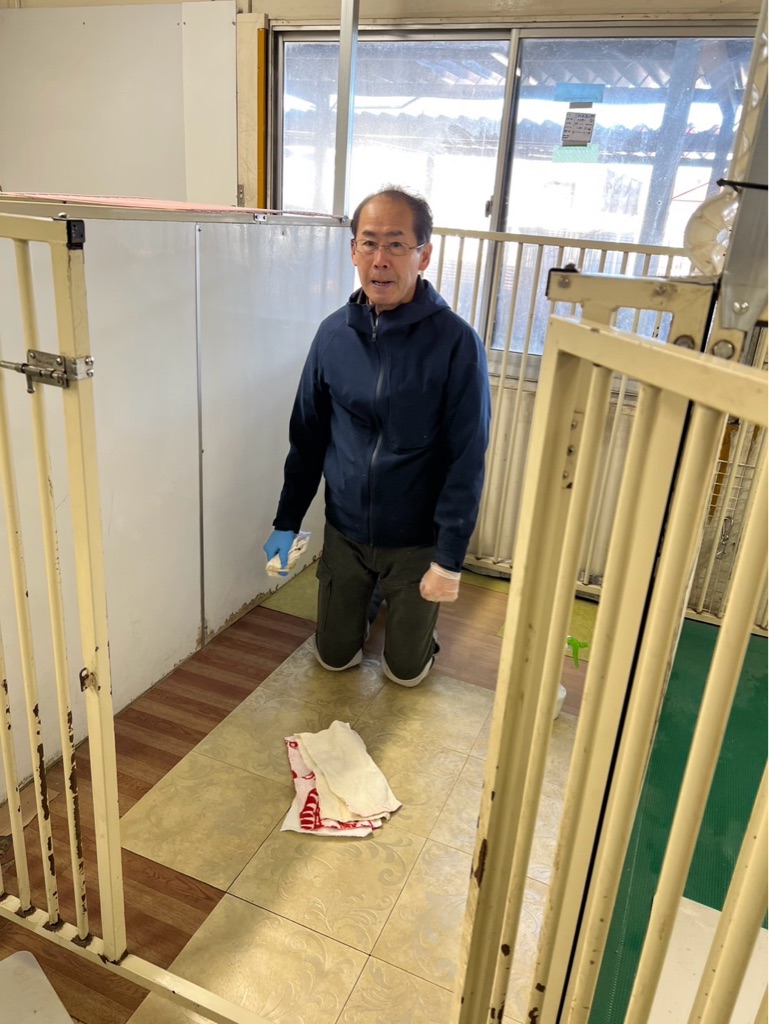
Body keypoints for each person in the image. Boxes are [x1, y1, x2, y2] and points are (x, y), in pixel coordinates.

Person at [263, 186, 491, 687]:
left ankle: (405, 608)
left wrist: (449, 560)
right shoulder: (332, 335)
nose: (380, 259)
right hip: (346, 531)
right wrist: (287, 520)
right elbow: (307, 437)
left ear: (423, 255)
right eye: (368, 243)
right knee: (334, 658)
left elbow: (466, 459)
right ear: (353, 251)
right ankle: (367, 596)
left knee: (406, 673)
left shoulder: (456, 343)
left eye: (396, 244)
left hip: (416, 540)